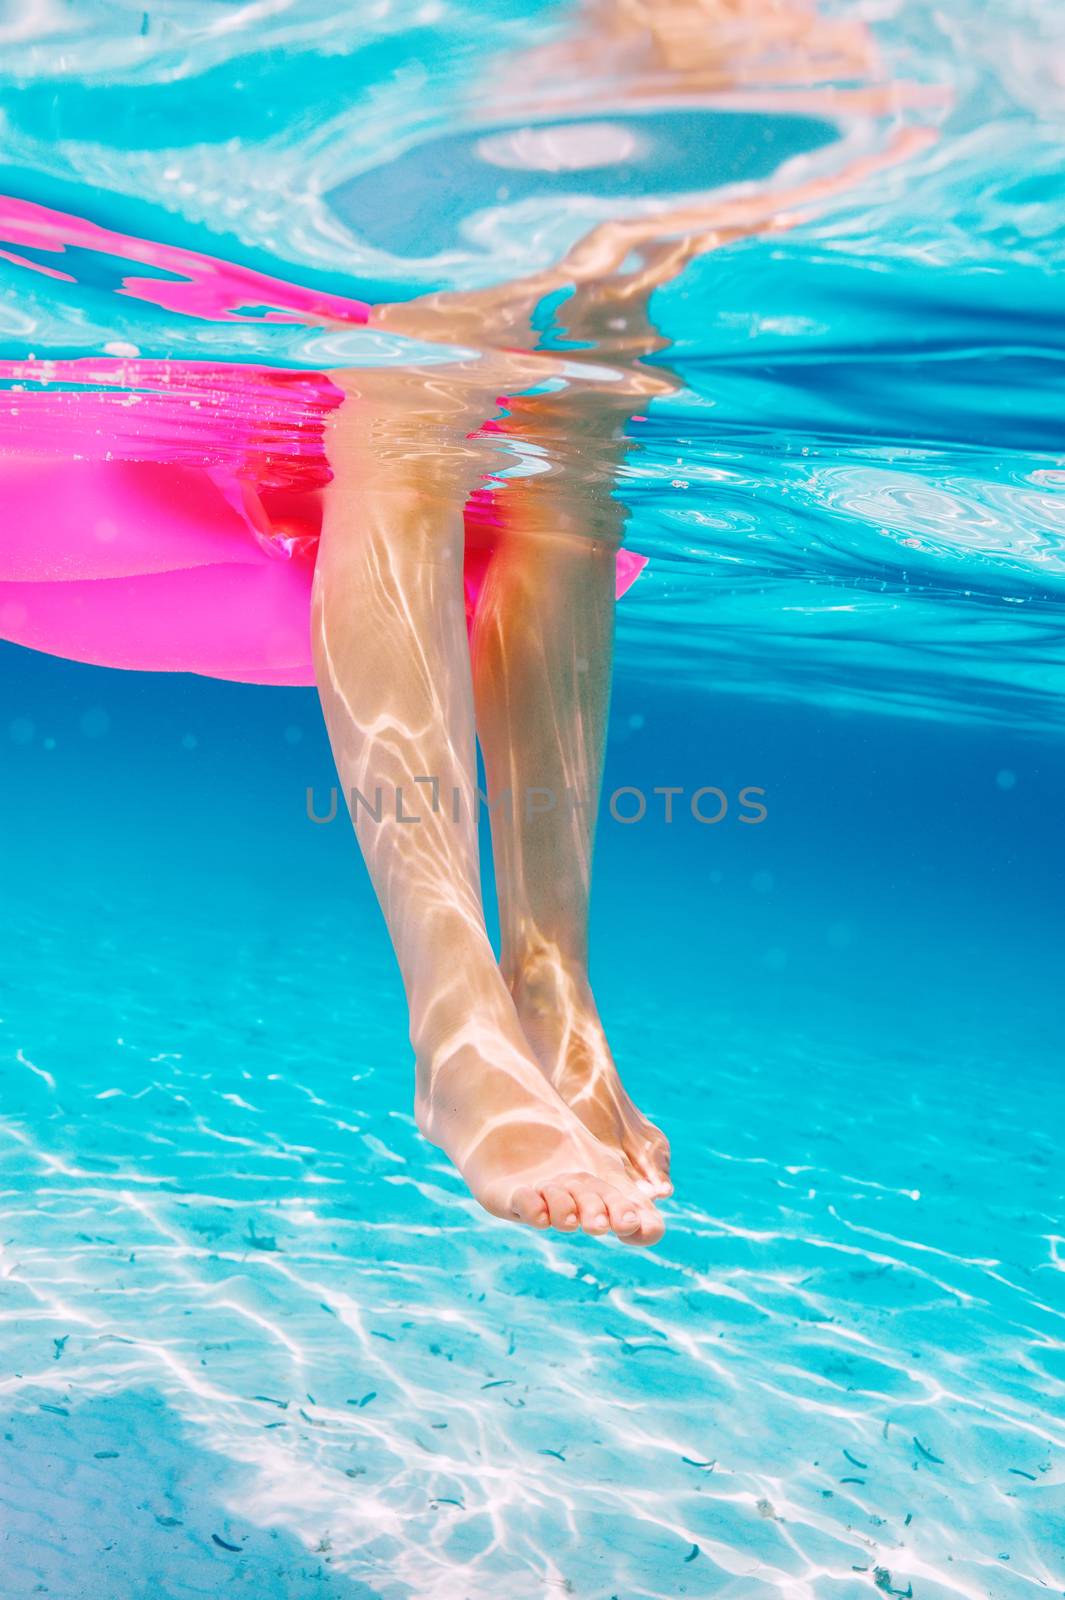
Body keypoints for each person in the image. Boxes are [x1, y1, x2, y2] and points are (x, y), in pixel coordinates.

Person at [0, 0, 931, 1245]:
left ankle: (555, 990)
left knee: (581, 436)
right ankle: (458, 1023)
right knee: (434, 373)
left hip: (564, 134)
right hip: (336, 276)